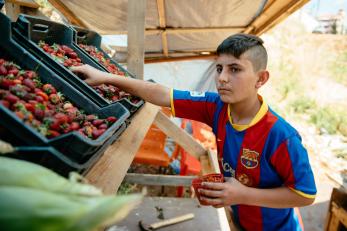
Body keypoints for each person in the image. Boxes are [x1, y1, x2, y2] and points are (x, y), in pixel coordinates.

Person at [71, 33, 316, 230]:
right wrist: (105, 77)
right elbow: (162, 94)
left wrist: (242, 194)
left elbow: (304, 195)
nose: (222, 78)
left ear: (261, 79)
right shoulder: (216, 106)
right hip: (240, 218)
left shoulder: (281, 136)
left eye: (235, 69)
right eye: (219, 68)